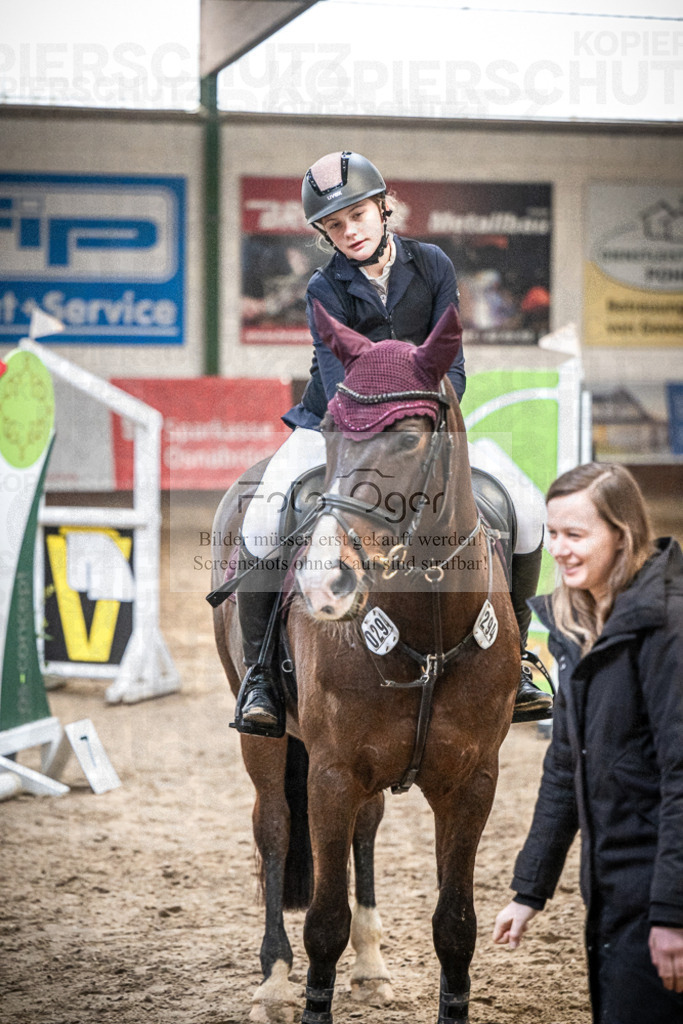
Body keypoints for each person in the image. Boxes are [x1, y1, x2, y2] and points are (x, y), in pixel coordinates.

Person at [233, 150, 552, 735]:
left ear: (384, 208)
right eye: (334, 225)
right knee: (261, 519)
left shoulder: (432, 264)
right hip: (338, 425)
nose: (348, 231)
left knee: (528, 510)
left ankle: (522, 657)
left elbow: (450, 363)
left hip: (431, 421)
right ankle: (259, 674)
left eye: (357, 215)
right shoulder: (324, 287)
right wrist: (376, 428)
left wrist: (432, 421)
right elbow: (334, 377)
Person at [493, 462, 683, 1022]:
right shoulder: (577, 624)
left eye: (576, 535)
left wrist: (672, 912)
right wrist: (530, 889)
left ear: (621, 536)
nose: (560, 549)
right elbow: (564, 767)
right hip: (611, 889)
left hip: (659, 890)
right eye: (553, 534)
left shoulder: (667, 627)